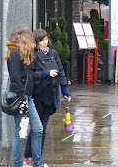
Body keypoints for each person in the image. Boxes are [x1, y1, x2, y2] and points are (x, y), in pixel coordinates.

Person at [25, 29, 72, 164]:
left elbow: (61, 71)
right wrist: (46, 73)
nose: (44, 43)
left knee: (42, 128)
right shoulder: (33, 55)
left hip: (51, 94)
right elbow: (31, 75)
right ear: (36, 42)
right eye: (41, 40)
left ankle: (35, 157)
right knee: (38, 128)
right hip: (38, 95)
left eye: (45, 39)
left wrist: (64, 89)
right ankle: (31, 157)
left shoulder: (53, 53)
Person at [5, 26, 44, 167]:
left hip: (25, 96)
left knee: (37, 129)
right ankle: (18, 164)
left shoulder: (19, 53)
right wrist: (22, 98)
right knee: (20, 130)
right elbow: (15, 78)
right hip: (19, 96)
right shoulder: (14, 54)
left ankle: (37, 163)